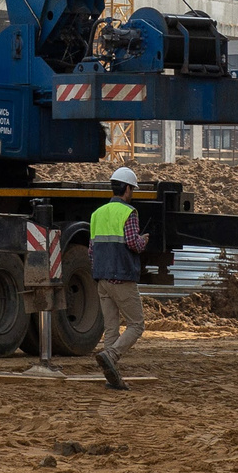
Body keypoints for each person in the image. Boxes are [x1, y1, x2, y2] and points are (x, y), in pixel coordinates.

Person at [89, 165, 149, 391]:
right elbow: (133, 243)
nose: (132, 193)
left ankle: (111, 378)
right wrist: (144, 240)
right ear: (126, 188)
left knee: (111, 328)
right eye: (131, 189)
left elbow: (91, 251)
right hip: (122, 277)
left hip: (102, 278)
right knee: (136, 325)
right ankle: (111, 355)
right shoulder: (129, 213)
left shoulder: (97, 214)